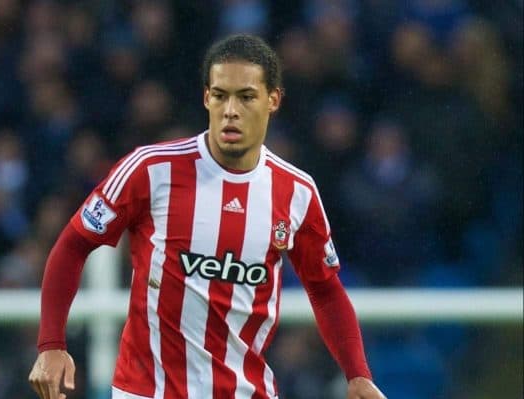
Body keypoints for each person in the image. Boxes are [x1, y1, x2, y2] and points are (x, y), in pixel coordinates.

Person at [28, 34, 386, 399]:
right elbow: (73, 245)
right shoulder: (151, 169)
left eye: (246, 97)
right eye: (220, 95)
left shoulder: (297, 192)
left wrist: (357, 374)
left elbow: (325, 289)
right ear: (206, 98)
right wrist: (51, 344)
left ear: (273, 100)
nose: (231, 110)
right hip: (148, 392)